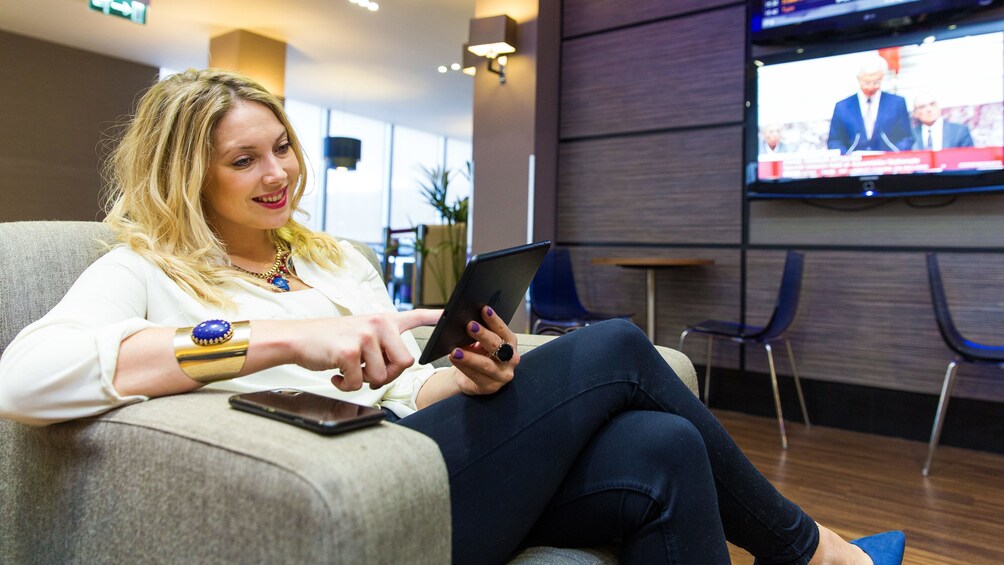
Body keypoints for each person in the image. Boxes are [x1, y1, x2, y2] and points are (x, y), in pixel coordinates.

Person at [0, 68, 905, 565]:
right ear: (188, 175)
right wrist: (276, 339)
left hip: (423, 447)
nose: (278, 173)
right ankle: (812, 555)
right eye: (245, 160)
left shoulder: (328, 258)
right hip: (358, 491)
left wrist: (461, 370)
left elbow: (409, 387)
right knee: (624, 346)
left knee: (662, 452)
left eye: (281, 146)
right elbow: (28, 377)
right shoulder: (143, 267)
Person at [827, 56, 914, 154]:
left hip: (888, 164)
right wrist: (847, 158)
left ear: (882, 78)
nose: (871, 87)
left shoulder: (897, 103)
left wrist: (892, 157)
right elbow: (834, 142)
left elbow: (906, 138)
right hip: (853, 165)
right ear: (858, 79)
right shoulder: (842, 107)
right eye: (867, 82)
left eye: (876, 82)